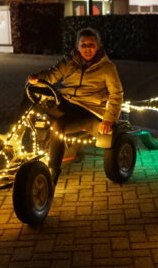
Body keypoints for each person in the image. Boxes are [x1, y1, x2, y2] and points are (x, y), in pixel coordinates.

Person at [27, 28, 124, 185]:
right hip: (67, 103)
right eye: (83, 44)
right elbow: (52, 75)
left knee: (58, 126)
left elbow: (116, 95)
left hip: (89, 109)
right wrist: (38, 78)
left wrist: (108, 119)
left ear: (98, 46)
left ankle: (52, 172)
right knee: (31, 91)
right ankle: (12, 140)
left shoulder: (108, 68)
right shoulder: (70, 62)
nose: (87, 48)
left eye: (91, 44)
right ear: (77, 47)